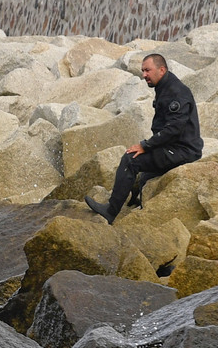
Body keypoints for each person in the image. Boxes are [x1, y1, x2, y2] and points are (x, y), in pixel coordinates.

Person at [85, 53, 203, 224]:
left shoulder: (176, 92)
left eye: (147, 70)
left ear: (162, 70)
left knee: (131, 159)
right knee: (146, 176)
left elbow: (173, 129)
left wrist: (146, 146)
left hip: (183, 151)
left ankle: (110, 211)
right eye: (142, 70)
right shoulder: (165, 86)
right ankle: (137, 202)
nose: (144, 75)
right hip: (176, 146)